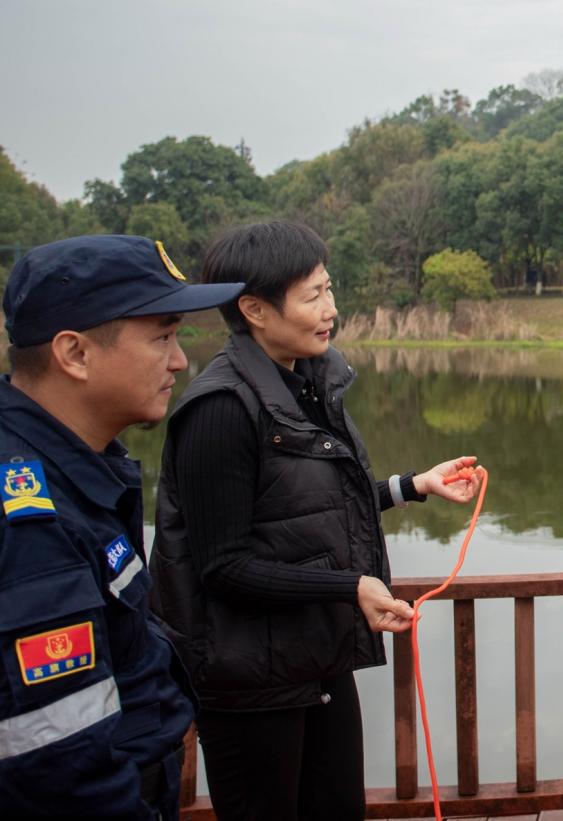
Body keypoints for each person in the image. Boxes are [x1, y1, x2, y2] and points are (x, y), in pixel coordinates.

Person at [147, 220, 480, 821]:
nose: (331, 309)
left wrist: (412, 487)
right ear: (254, 309)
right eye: (313, 295)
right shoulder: (220, 409)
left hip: (312, 662)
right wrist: (349, 587)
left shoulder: (306, 383)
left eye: (330, 290)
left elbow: (305, 510)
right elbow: (224, 566)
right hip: (249, 683)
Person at [0, 235, 244, 818]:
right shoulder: (29, 523)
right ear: (75, 354)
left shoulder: (73, 468)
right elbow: (62, 770)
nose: (181, 360)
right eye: (162, 335)